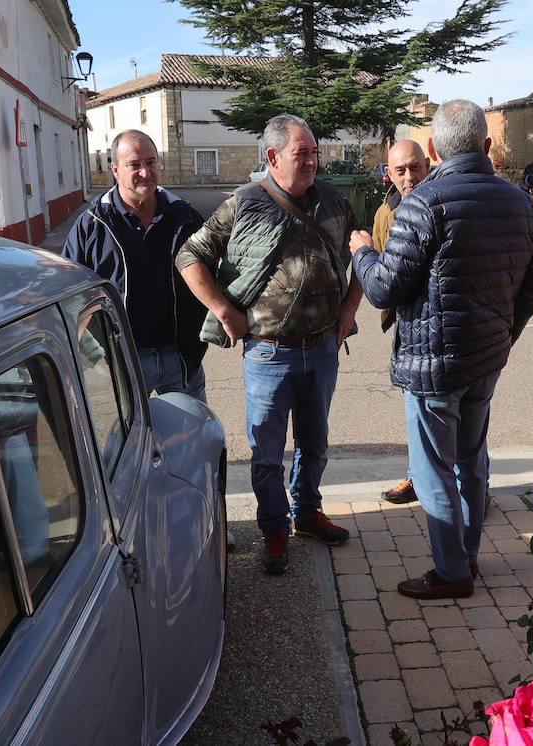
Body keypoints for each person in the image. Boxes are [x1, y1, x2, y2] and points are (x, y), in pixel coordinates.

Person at [349, 100, 533, 599]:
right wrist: (504, 334)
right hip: (485, 361)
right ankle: (468, 558)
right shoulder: (520, 203)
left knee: (434, 467)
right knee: (471, 458)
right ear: (487, 145)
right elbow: (532, 291)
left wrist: (361, 252)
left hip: (433, 368)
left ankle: (453, 571)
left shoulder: (423, 203)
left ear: (433, 149)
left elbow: (381, 290)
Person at [176, 114, 362, 574]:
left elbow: (363, 249)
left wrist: (349, 308)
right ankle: (274, 528)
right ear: (273, 157)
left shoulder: (334, 200)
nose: (312, 162)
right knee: (265, 452)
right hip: (268, 353)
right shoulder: (243, 204)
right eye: (303, 154)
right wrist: (222, 310)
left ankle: (307, 513)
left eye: (315, 153)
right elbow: (189, 255)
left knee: (315, 445)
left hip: (322, 348)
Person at [62, 130, 208, 400]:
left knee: (192, 436)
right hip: (124, 360)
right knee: (132, 441)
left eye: (151, 162)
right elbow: (70, 292)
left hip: (180, 357)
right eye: (134, 165)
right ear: (115, 170)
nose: (145, 172)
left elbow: (211, 272)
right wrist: (93, 354)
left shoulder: (184, 217)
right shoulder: (92, 224)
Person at [371, 139, 432, 506]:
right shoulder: (386, 212)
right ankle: (417, 477)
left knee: (463, 417)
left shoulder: (443, 200)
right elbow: (381, 272)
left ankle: (475, 489)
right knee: (417, 411)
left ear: (428, 164)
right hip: (410, 328)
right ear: (389, 174)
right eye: (400, 170)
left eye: (415, 167)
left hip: (446, 324)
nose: (409, 177)